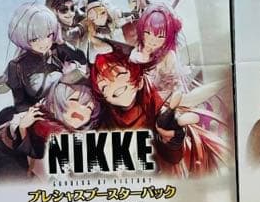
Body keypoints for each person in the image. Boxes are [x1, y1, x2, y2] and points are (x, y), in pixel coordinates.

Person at [91, 50, 225, 175]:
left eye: (119, 75)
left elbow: (190, 98)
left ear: (139, 82)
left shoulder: (156, 101)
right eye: (104, 86)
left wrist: (223, 82)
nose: (112, 86)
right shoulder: (107, 120)